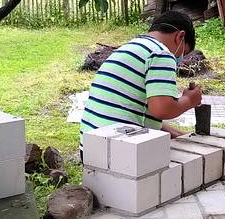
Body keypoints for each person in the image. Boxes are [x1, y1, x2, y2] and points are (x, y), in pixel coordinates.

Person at [80, 10, 202, 144]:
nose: (180, 59)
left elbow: (138, 114)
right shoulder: (160, 53)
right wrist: (189, 100)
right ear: (180, 37)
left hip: (91, 148)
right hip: (119, 150)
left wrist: (178, 135)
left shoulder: (130, 48)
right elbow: (162, 109)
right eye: (183, 52)